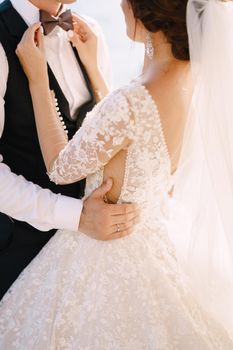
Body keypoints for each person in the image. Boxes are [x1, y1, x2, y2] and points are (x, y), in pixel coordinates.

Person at [0, 0, 233, 348]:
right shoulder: (187, 81)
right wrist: (77, 216)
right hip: (22, 250)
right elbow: (127, 136)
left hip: (97, 265)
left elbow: (95, 147)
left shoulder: (93, 40)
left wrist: (42, 80)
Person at [0, 0, 139, 299]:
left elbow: (109, 138)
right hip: (19, 258)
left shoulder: (91, 33)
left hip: (93, 262)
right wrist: (78, 217)